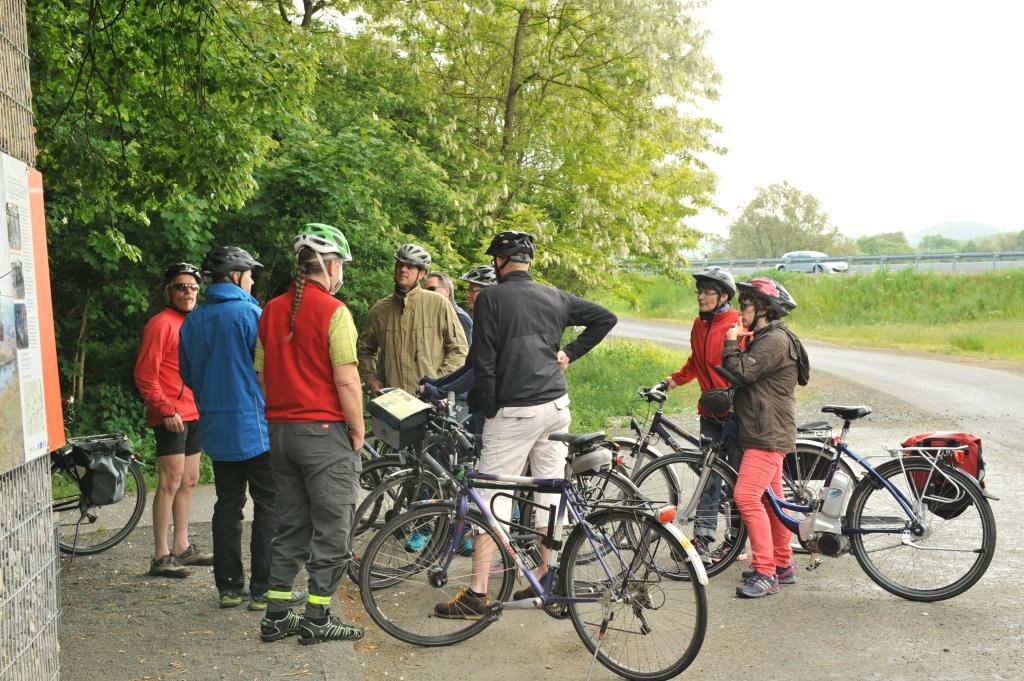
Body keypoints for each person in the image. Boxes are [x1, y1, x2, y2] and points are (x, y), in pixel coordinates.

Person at [433, 230, 617, 619]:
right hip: (556, 405)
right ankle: (546, 573)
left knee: (489, 494)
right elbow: (605, 318)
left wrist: (489, 406)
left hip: (515, 411)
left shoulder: (491, 299)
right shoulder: (555, 295)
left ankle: (478, 592)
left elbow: (482, 361)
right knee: (548, 491)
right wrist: (569, 353)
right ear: (527, 261)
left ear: (500, 262)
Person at [255, 223, 365, 645]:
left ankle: (277, 616)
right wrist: (356, 430)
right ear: (330, 265)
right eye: (340, 267)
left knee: (292, 527)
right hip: (323, 434)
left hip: (281, 432)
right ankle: (318, 618)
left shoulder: (270, 310)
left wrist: (285, 408)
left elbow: (262, 374)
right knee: (334, 527)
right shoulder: (335, 313)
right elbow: (348, 381)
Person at [179, 246, 296, 610]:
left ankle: (229, 588)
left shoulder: (194, 319)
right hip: (255, 425)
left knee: (227, 504)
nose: (253, 279)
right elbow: (269, 370)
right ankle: (264, 590)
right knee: (269, 503)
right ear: (235, 275)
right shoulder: (250, 313)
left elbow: (186, 374)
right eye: (250, 273)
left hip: (215, 426)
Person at [722, 277, 803, 598]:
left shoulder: (775, 340)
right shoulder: (766, 337)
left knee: (745, 498)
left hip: (767, 433)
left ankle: (766, 572)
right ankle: (782, 565)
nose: (740, 311)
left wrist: (730, 342)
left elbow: (741, 372)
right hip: (765, 429)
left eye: (746, 305)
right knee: (772, 503)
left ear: (763, 309)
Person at [133, 263, 213, 578]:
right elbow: (144, 374)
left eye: (192, 287)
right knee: (169, 482)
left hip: (194, 412)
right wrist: (165, 409)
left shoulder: (193, 323)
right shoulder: (161, 324)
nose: (187, 292)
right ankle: (160, 555)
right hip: (171, 415)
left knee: (190, 480)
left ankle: (181, 547)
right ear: (169, 291)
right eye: (181, 287)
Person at [662, 266, 741, 564]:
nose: (701, 296)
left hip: (735, 413)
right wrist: (672, 381)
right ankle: (703, 538)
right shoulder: (699, 324)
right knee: (709, 477)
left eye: (708, 291)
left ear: (723, 296)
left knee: (737, 480)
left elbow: (744, 366)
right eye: (700, 291)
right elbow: (696, 361)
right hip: (710, 411)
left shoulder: (736, 323)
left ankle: (735, 539)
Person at [357, 244, 467, 395]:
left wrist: (437, 382)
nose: (403, 269)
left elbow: (459, 349)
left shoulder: (438, 303)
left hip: (430, 403)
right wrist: (372, 380)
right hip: (391, 400)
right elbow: (365, 350)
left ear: (421, 274)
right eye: (400, 265)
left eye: (410, 266)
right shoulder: (379, 310)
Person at [424, 270, 472, 344]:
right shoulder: (430, 315)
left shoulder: (459, 317)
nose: (427, 293)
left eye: (431, 289)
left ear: (447, 291)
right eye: (425, 290)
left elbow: (464, 353)